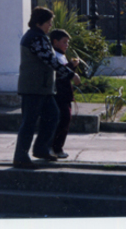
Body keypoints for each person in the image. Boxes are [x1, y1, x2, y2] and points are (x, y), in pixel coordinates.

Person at [13, 7, 81, 169]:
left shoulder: (36, 36)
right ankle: (21, 156)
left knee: (53, 116)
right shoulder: (36, 38)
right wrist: (71, 74)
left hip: (42, 88)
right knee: (29, 122)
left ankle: (41, 148)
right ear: (39, 22)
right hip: (34, 88)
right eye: (48, 22)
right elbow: (50, 60)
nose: (50, 26)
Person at [50, 29, 80, 159]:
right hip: (60, 94)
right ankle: (56, 147)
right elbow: (59, 73)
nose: (67, 45)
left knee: (65, 119)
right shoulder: (54, 56)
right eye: (64, 42)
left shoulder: (61, 55)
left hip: (65, 94)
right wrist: (70, 66)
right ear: (55, 42)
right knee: (63, 119)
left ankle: (57, 147)